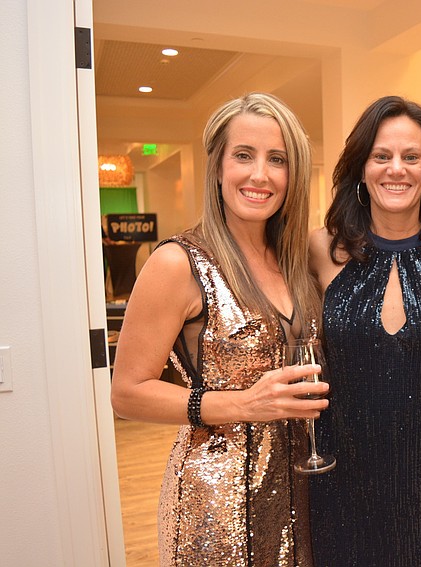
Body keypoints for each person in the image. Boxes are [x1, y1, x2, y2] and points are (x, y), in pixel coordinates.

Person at [110, 92, 328, 566]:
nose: (259, 175)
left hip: (304, 494)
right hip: (218, 504)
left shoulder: (298, 263)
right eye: (243, 156)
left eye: (278, 160)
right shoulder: (177, 262)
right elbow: (127, 393)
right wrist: (244, 404)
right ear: (218, 167)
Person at [308, 95, 421, 566]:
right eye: (382, 156)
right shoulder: (321, 249)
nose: (396, 169)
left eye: (411, 157)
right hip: (343, 482)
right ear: (362, 168)